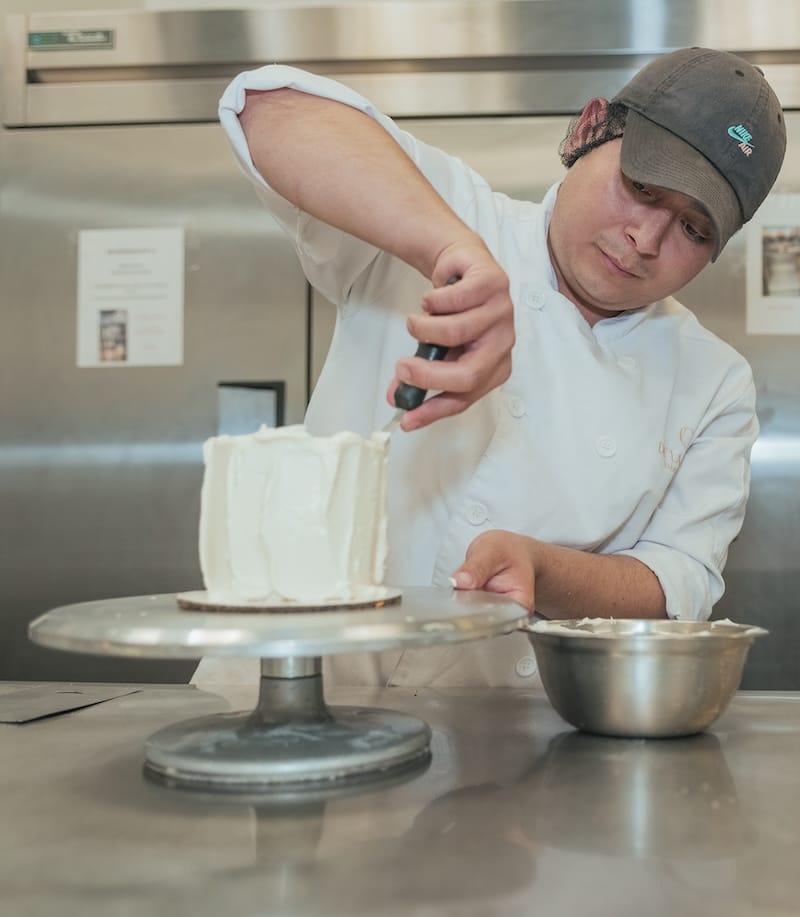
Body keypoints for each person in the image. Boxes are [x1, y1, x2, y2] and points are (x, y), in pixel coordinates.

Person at [192, 47, 786, 689]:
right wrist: (452, 252)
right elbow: (266, 109)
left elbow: (678, 583)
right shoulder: (452, 210)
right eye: (641, 186)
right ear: (589, 130)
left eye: (693, 229)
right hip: (289, 694)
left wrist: (542, 568)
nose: (646, 238)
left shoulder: (713, 381)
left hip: (501, 744)